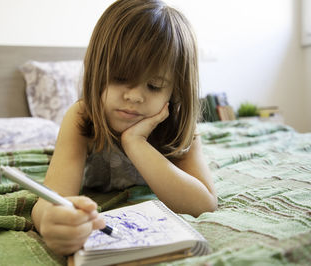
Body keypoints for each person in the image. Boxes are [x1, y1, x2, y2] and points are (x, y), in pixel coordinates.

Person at [31, 0, 217, 255]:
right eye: (120, 79)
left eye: (154, 86)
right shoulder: (82, 117)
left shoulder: (178, 123)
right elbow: (50, 199)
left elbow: (204, 204)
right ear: (97, 71)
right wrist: (50, 219)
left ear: (175, 89)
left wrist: (135, 142)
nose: (135, 97)